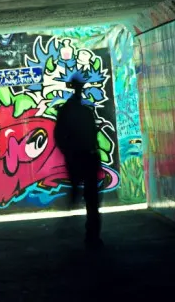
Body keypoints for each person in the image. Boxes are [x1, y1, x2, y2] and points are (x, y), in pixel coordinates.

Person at [54, 73, 103, 248]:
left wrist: (68, 152)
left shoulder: (66, 111)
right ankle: (92, 236)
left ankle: (70, 229)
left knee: (76, 195)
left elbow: (59, 135)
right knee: (92, 200)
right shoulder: (85, 111)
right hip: (88, 157)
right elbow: (92, 135)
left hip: (76, 157)